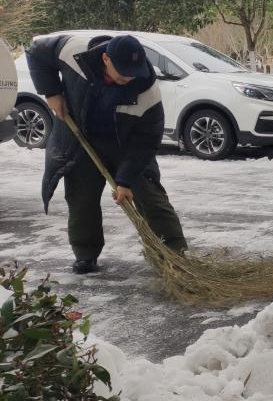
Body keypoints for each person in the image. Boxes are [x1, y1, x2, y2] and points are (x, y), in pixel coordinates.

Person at [27, 33, 187, 274]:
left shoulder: (147, 89)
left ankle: (174, 253)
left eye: (133, 73)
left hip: (126, 146)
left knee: (150, 195)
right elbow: (36, 51)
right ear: (105, 59)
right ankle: (85, 254)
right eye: (122, 74)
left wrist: (125, 181)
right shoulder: (73, 52)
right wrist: (52, 92)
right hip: (80, 139)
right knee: (81, 199)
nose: (129, 78)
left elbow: (147, 141)